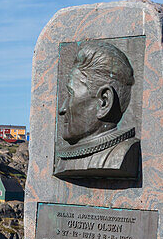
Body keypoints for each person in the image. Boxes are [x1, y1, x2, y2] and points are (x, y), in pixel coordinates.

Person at [55, 40, 140, 178]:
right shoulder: (62, 161)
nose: (62, 109)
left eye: (71, 94)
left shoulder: (122, 155)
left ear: (104, 102)